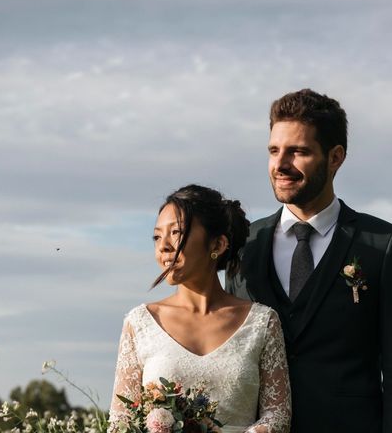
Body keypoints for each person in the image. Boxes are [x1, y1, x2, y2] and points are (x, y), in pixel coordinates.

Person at [226, 89, 392, 432]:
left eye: (298, 151)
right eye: (274, 151)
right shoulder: (245, 245)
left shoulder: (384, 246)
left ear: (335, 157)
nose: (281, 164)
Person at [109, 185, 291, 433]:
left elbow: (277, 415)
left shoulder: (262, 322)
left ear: (217, 243)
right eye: (156, 236)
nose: (163, 246)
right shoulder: (140, 323)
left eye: (176, 232)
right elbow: (121, 422)